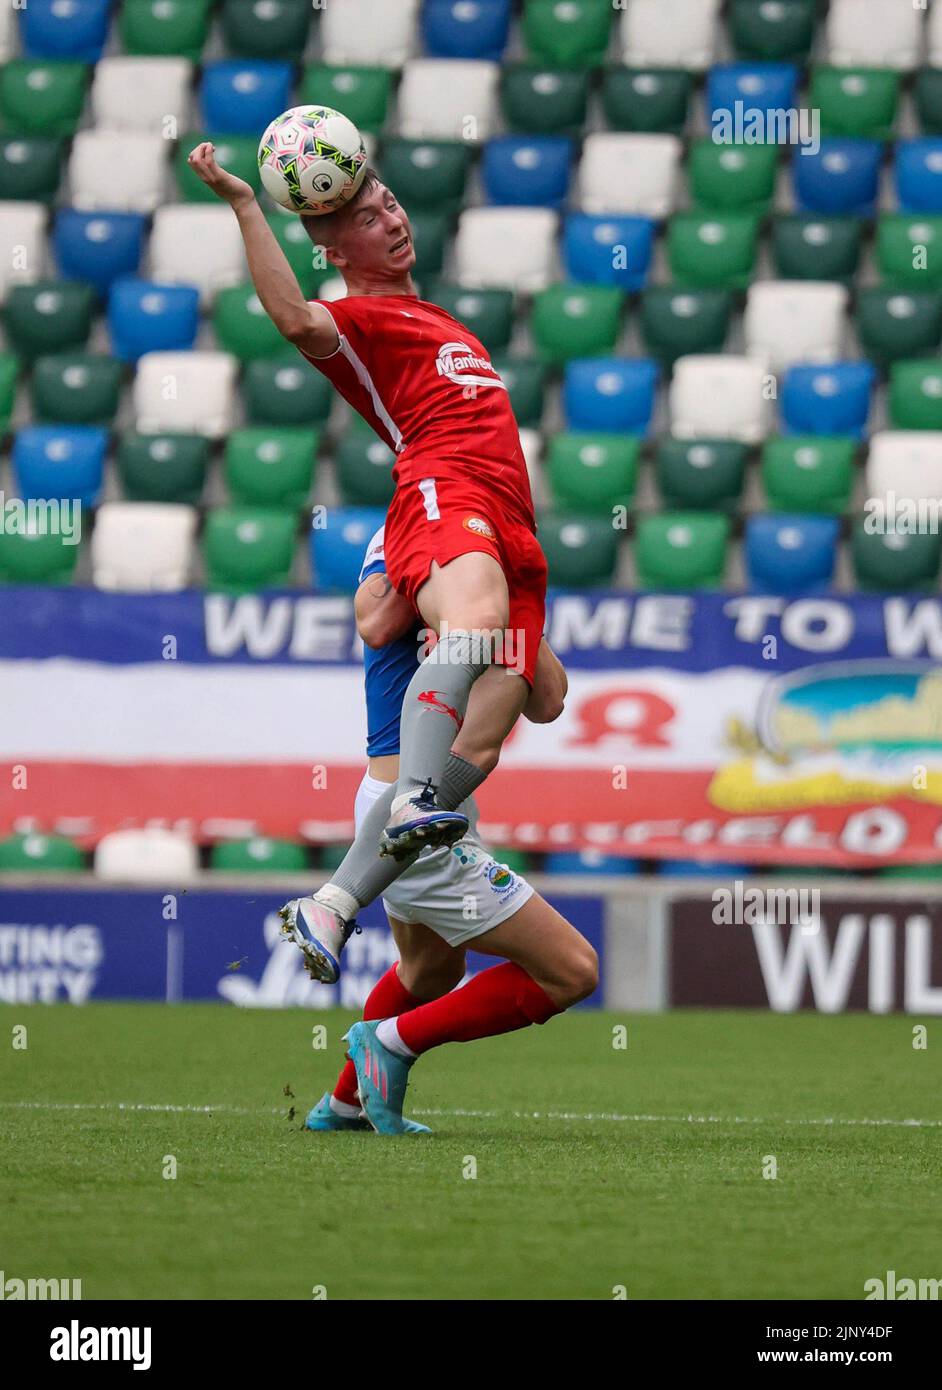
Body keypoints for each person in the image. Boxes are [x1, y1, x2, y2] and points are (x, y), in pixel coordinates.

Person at [188, 145, 553, 988]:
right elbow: (294, 321)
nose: (390, 220)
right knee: (475, 629)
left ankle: (344, 894)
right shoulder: (357, 319)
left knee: (523, 700)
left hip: (507, 523)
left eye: (388, 204)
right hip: (446, 487)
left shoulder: (443, 323)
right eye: (364, 217)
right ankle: (417, 805)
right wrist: (246, 204)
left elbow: (390, 621)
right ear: (331, 248)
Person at [305, 526, 596, 1136]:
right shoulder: (409, 530)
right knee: (571, 970)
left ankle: (344, 1104)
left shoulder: (496, 552)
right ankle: (391, 1044)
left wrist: (507, 594)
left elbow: (548, 700)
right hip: (407, 805)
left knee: (429, 972)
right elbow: (374, 621)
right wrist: (463, 588)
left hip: (440, 800)